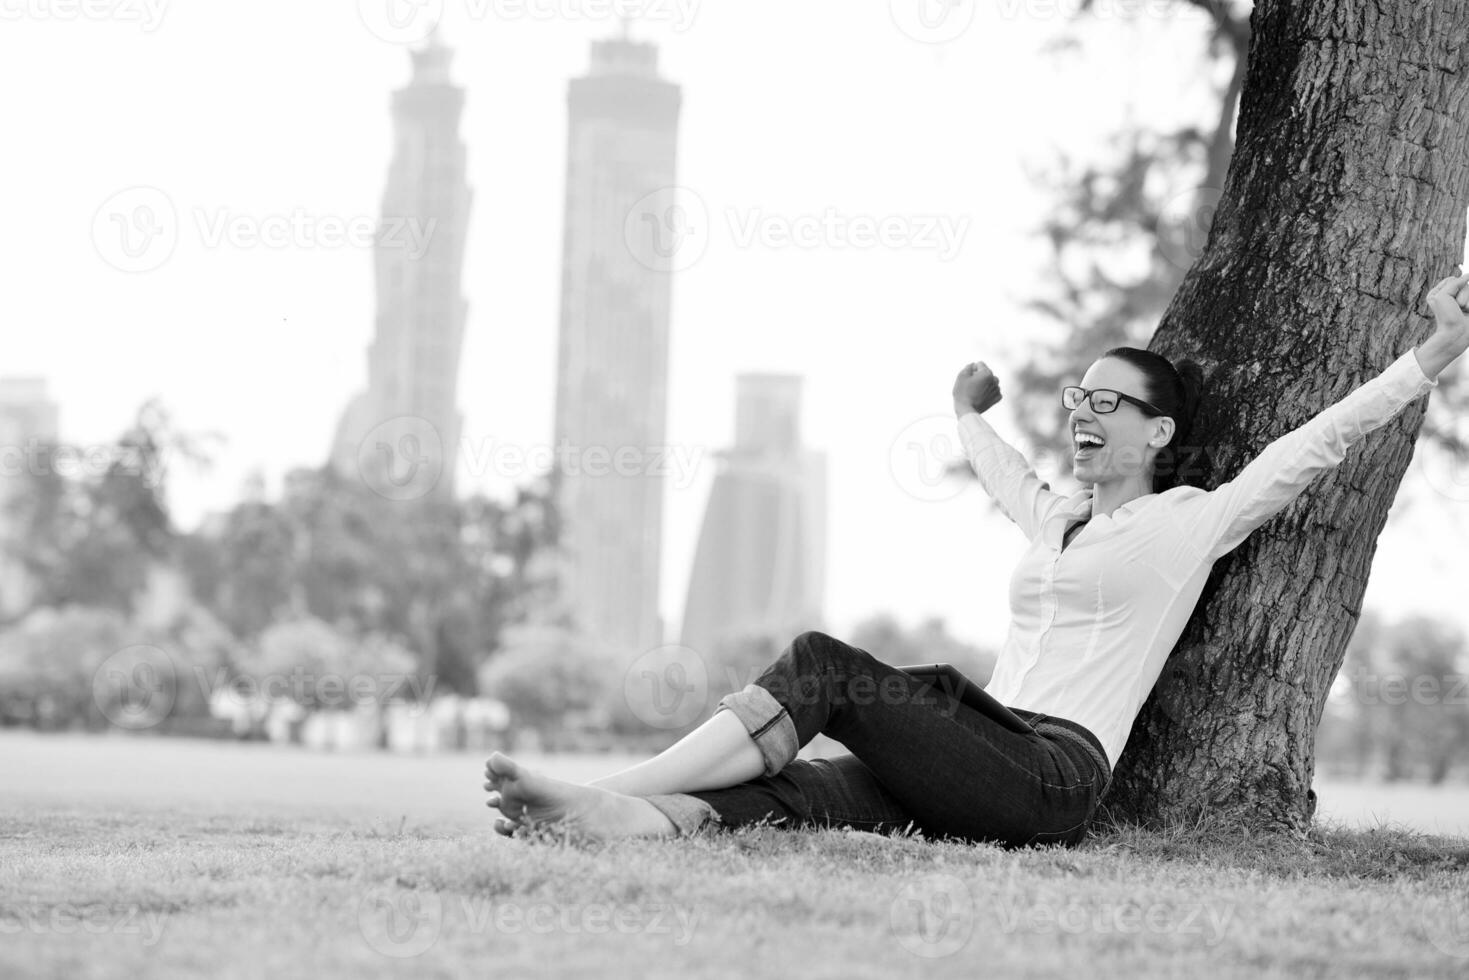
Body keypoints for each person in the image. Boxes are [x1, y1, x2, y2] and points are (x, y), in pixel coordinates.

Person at [483, 272, 1469, 846]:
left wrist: (1430, 355)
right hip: (975, 744)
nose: (1081, 411)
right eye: (1077, 397)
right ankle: (620, 822)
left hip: (1049, 771)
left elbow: (1313, 445)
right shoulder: (1055, 517)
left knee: (823, 662)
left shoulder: (1188, 522)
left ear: (1158, 428)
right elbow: (1003, 472)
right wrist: (965, 413)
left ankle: (608, 787)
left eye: (1105, 401)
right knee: (799, 792)